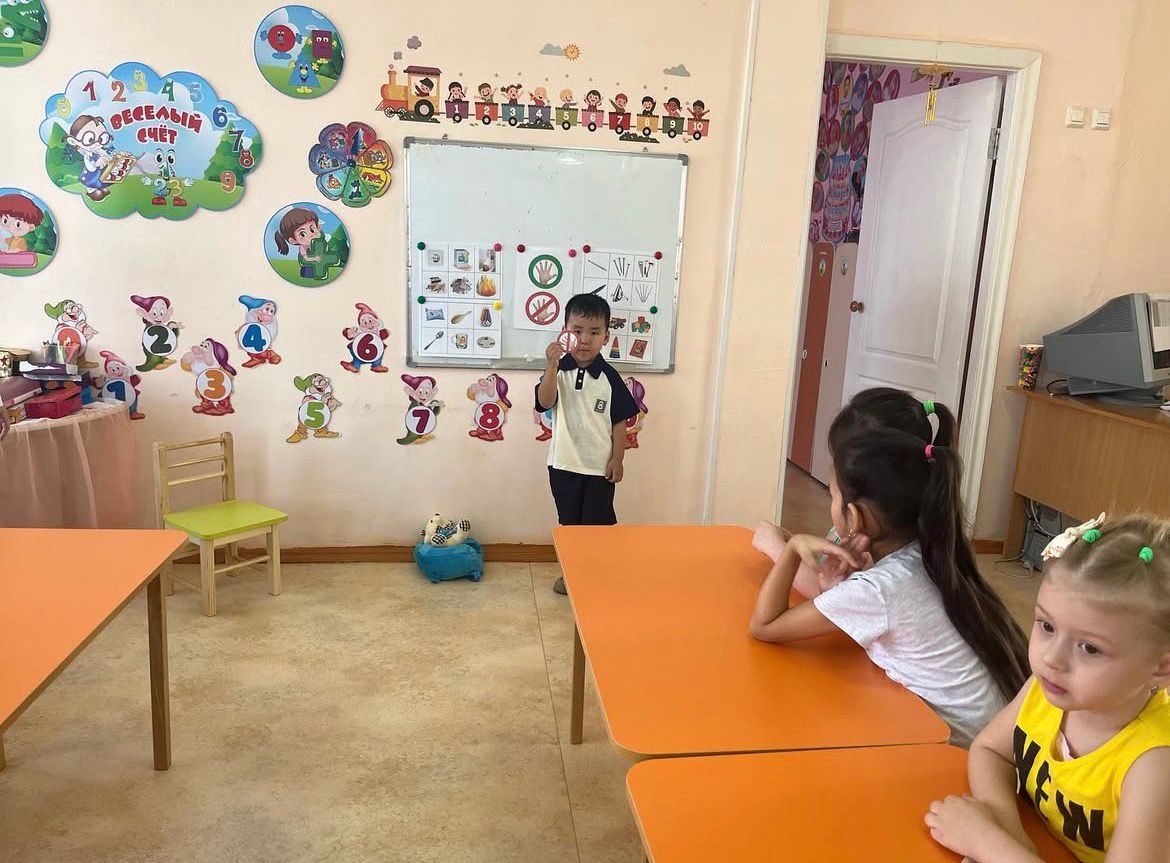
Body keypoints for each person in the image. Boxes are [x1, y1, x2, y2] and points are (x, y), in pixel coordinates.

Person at [749, 429, 1029, 745]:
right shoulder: (929, 554)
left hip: (959, 753)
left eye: (833, 496)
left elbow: (765, 626)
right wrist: (834, 589)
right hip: (996, 742)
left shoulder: (879, 588)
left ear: (854, 515)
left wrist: (792, 548)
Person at [926, 514, 1170, 863]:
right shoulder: (1048, 689)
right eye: (1047, 626)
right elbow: (990, 751)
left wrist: (988, 844)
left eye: (1089, 648)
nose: (1052, 659)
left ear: (1161, 667)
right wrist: (1009, 833)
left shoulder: (1155, 765)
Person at [754, 387, 956, 597]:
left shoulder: (883, 552)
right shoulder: (885, 528)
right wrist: (799, 547)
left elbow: (828, 595)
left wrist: (777, 548)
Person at [536, 294, 639, 595]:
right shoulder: (558, 370)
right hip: (563, 464)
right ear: (565, 331)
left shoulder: (609, 377)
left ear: (605, 337)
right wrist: (551, 367)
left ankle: (596, 574)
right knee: (570, 526)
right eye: (577, 330)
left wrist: (618, 459)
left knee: (596, 526)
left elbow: (619, 421)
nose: (584, 339)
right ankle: (572, 575)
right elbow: (545, 402)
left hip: (598, 468)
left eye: (594, 332)